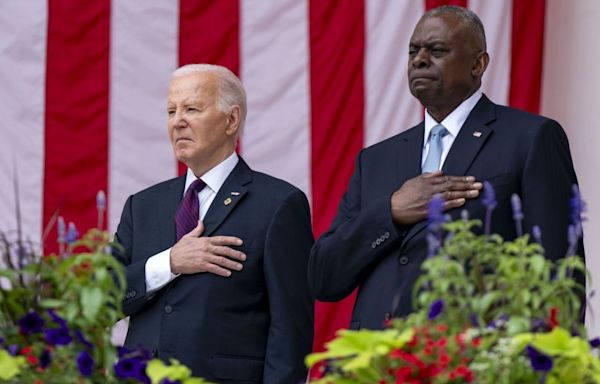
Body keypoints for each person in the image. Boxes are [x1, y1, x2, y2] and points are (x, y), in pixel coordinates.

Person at [308, 5, 583, 330]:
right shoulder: (376, 159)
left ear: (478, 64)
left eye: (437, 50)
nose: (419, 60)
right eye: (414, 50)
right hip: (378, 366)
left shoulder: (529, 138)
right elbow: (323, 277)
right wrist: (391, 212)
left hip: (476, 364)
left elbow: (561, 275)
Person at [113, 64, 314, 383]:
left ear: (231, 120)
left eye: (191, 108)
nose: (177, 121)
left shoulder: (278, 204)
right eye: (170, 110)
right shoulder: (142, 206)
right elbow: (104, 297)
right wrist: (170, 262)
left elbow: (290, 330)